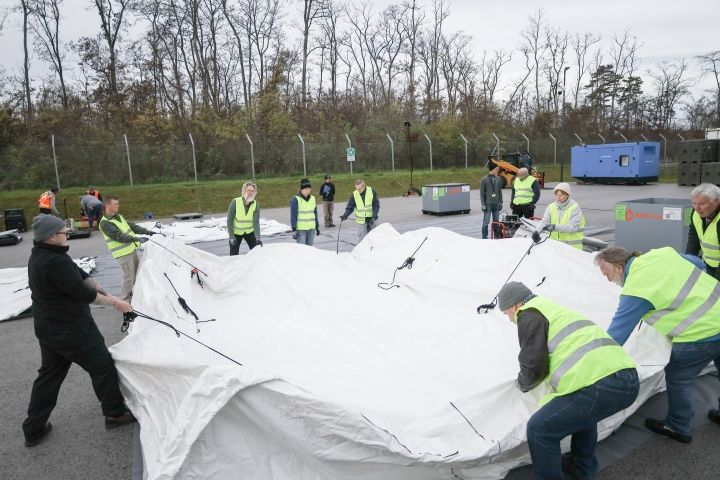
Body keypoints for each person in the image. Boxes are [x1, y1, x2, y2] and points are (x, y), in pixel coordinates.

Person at [498, 281, 638, 480]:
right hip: (628, 379)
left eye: (506, 314)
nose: (511, 320)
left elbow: (534, 364)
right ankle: (582, 468)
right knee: (584, 416)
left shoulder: (529, 313)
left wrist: (521, 385)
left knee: (539, 430)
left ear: (514, 305)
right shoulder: (553, 309)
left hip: (599, 383)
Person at [22, 215, 137, 448]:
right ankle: (114, 413)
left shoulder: (46, 254)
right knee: (102, 366)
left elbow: (80, 275)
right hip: (71, 329)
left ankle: (33, 428)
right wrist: (117, 304)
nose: (68, 234)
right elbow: (81, 293)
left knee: (49, 376)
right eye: (65, 232)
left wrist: (106, 292)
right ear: (52, 236)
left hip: (49, 328)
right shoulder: (52, 262)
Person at [595, 246, 720, 443]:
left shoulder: (637, 289)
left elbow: (617, 334)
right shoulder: (660, 254)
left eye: (607, 274)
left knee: (679, 379)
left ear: (619, 267)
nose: (609, 280)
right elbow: (699, 264)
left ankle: (678, 426)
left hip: (701, 333)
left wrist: (593, 362)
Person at [98, 195, 157, 303]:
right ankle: (126, 301)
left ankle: (136, 298)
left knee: (136, 274)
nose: (118, 206)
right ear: (107, 205)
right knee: (128, 278)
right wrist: (137, 238)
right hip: (123, 254)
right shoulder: (105, 223)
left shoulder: (118, 217)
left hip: (131, 250)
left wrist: (148, 232)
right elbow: (119, 237)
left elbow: (132, 226)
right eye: (115, 204)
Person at [531, 182, 585, 249]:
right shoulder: (551, 207)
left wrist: (555, 226)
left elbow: (573, 227)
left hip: (572, 248)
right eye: (556, 195)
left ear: (567, 195)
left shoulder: (574, 208)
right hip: (555, 247)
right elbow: (544, 221)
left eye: (561, 195)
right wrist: (537, 231)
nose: (558, 197)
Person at [686, 183, 720, 281]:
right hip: (710, 264)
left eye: (701, 204)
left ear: (716, 201)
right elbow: (694, 236)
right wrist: (689, 260)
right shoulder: (697, 213)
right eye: (694, 203)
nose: (697, 208)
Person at [227, 182, 262, 255]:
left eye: (252, 191)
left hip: (250, 232)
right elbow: (229, 220)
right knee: (234, 255)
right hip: (236, 232)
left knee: (256, 252)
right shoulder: (235, 202)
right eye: (248, 190)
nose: (250, 193)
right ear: (244, 191)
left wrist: (257, 237)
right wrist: (231, 237)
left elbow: (256, 222)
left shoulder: (255, 205)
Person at [290, 178, 320, 246]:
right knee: (302, 250)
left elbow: (315, 213)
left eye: (309, 189)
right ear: (301, 189)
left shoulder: (313, 198)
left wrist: (317, 226)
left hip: (311, 229)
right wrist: (294, 229)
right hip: (301, 230)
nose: (308, 191)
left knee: (310, 249)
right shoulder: (296, 199)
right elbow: (293, 215)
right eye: (306, 189)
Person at [480, 162, 503, 239]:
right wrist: (483, 204)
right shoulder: (484, 180)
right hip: (488, 203)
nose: (497, 171)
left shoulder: (498, 179)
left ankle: (496, 235)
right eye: (496, 169)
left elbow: (499, 191)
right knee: (486, 221)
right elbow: (481, 193)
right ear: (492, 169)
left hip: (496, 203)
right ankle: (484, 236)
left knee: (496, 220)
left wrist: (501, 202)